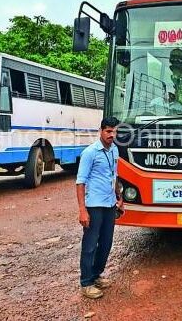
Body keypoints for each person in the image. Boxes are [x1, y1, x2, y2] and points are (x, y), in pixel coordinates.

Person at [76, 117, 124, 299]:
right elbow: (80, 182)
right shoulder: (90, 153)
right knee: (90, 245)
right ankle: (86, 283)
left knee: (106, 243)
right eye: (108, 131)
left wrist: (119, 197)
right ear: (101, 131)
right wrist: (82, 210)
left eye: (115, 131)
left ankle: (96, 275)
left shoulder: (114, 150)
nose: (112, 135)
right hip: (94, 205)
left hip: (110, 203)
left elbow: (115, 175)